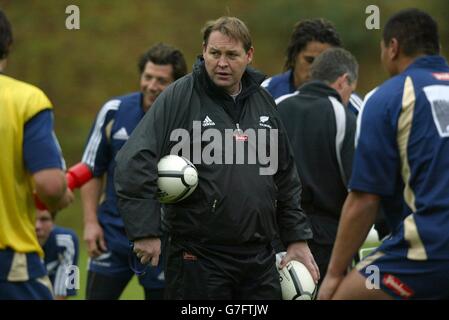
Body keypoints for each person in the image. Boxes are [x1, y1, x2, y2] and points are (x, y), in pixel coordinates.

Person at [114, 16, 319, 300]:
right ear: (204, 51)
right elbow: (134, 159)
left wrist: (296, 238)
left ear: (249, 55)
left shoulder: (263, 102)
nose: (222, 63)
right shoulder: (180, 96)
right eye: (215, 53)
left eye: (232, 55)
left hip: (258, 259)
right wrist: (145, 230)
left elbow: (285, 177)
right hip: (198, 258)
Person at [319, 8, 449, 300]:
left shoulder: (388, 97)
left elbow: (364, 199)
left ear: (393, 48)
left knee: (341, 296)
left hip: (431, 249)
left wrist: (333, 275)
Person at [80, 43, 187, 300]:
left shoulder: (187, 122)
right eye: (147, 77)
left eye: (161, 80)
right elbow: (91, 169)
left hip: (164, 242)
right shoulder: (114, 111)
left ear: (176, 84)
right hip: (112, 237)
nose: (151, 86)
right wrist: (90, 222)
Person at [0, 9, 74, 300]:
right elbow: (51, 185)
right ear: (7, 46)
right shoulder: (26, 100)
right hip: (9, 260)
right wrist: (61, 195)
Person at [277, 48, 358, 286]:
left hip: (275, 238)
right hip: (326, 243)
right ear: (344, 81)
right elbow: (358, 188)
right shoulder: (343, 117)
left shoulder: (275, 106)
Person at [262, 18, 363, 115]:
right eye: (310, 60)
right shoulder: (263, 94)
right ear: (293, 58)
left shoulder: (355, 108)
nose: (316, 68)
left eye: (325, 62)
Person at [35, 209, 79, 300]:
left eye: (44, 219)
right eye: (32, 219)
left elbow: (68, 287)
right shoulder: (9, 244)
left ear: (53, 222)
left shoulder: (67, 241)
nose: (37, 226)